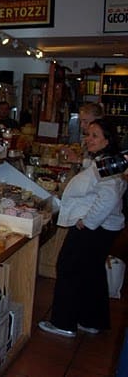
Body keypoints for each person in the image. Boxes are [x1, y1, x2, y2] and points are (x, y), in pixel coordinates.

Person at [39, 118, 126, 337]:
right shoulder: (106, 160)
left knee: (68, 267)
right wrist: (81, 161)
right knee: (92, 272)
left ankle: (63, 322)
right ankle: (91, 319)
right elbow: (95, 172)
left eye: (95, 135)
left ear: (108, 140)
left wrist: (87, 222)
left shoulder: (109, 164)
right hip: (104, 227)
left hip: (96, 227)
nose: (89, 139)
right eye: (88, 134)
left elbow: (109, 196)